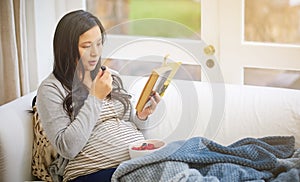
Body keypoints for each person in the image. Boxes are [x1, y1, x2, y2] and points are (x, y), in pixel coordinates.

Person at [36, 10, 160, 182]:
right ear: (66, 48)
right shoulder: (50, 89)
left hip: (134, 164)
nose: (95, 53)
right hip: (90, 173)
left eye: (99, 43)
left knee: (195, 151)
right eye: (86, 46)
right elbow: (68, 148)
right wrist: (95, 97)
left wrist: (141, 116)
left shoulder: (111, 76)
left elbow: (133, 127)